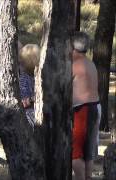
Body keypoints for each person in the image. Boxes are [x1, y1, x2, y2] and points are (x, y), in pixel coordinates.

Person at [72, 32, 101, 180]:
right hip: (95, 107)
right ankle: (87, 177)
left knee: (75, 152)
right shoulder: (90, 63)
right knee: (88, 151)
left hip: (82, 110)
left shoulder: (75, 65)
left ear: (72, 48)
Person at [18, 44, 40, 128]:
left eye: (21, 61)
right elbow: (23, 103)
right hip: (32, 116)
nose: (20, 64)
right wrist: (33, 99)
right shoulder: (24, 77)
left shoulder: (39, 75)